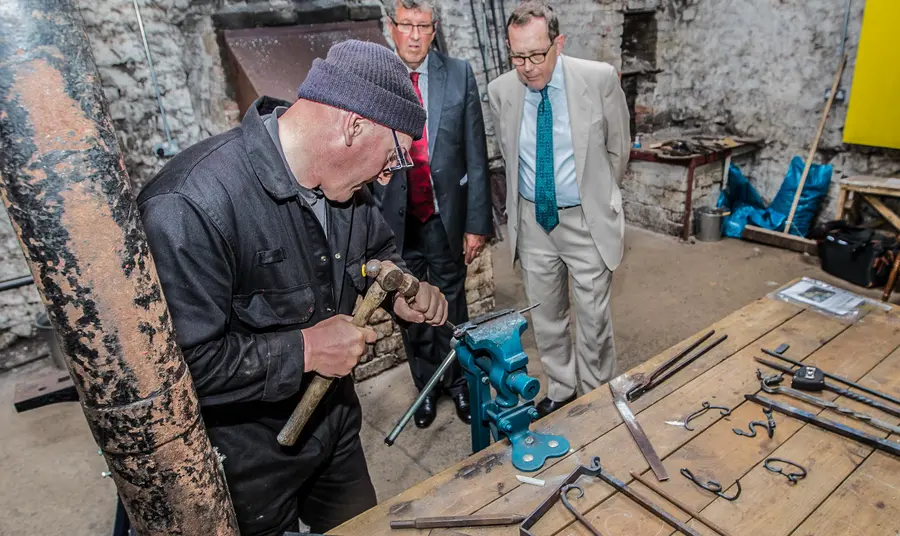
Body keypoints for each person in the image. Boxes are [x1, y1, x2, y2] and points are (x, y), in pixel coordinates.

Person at [137, 40, 448, 536]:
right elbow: (177, 371)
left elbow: (376, 254)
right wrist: (303, 350)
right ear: (354, 125)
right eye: (392, 159)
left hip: (336, 425)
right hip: (247, 459)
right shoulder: (189, 206)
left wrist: (401, 292)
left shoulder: (346, 191)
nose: (389, 178)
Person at [487, 1, 630, 417]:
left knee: (593, 319)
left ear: (558, 42)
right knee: (546, 317)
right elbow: (509, 154)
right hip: (533, 220)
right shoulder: (502, 91)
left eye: (536, 54)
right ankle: (563, 387)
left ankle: (597, 392)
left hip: (583, 218)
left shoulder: (598, 79)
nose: (527, 66)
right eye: (517, 56)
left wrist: (597, 196)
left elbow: (617, 150)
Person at [374, 0, 492, 428]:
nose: (415, 35)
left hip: (445, 217)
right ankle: (426, 387)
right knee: (411, 307)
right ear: (392, 26)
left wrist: (478, 223)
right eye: (406, 25)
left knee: (453, 303)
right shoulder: (378, 75)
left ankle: (459, 385)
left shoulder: (458, 73)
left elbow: (476, 155)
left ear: (434, 28)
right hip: (398, 221)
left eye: (423, 26)